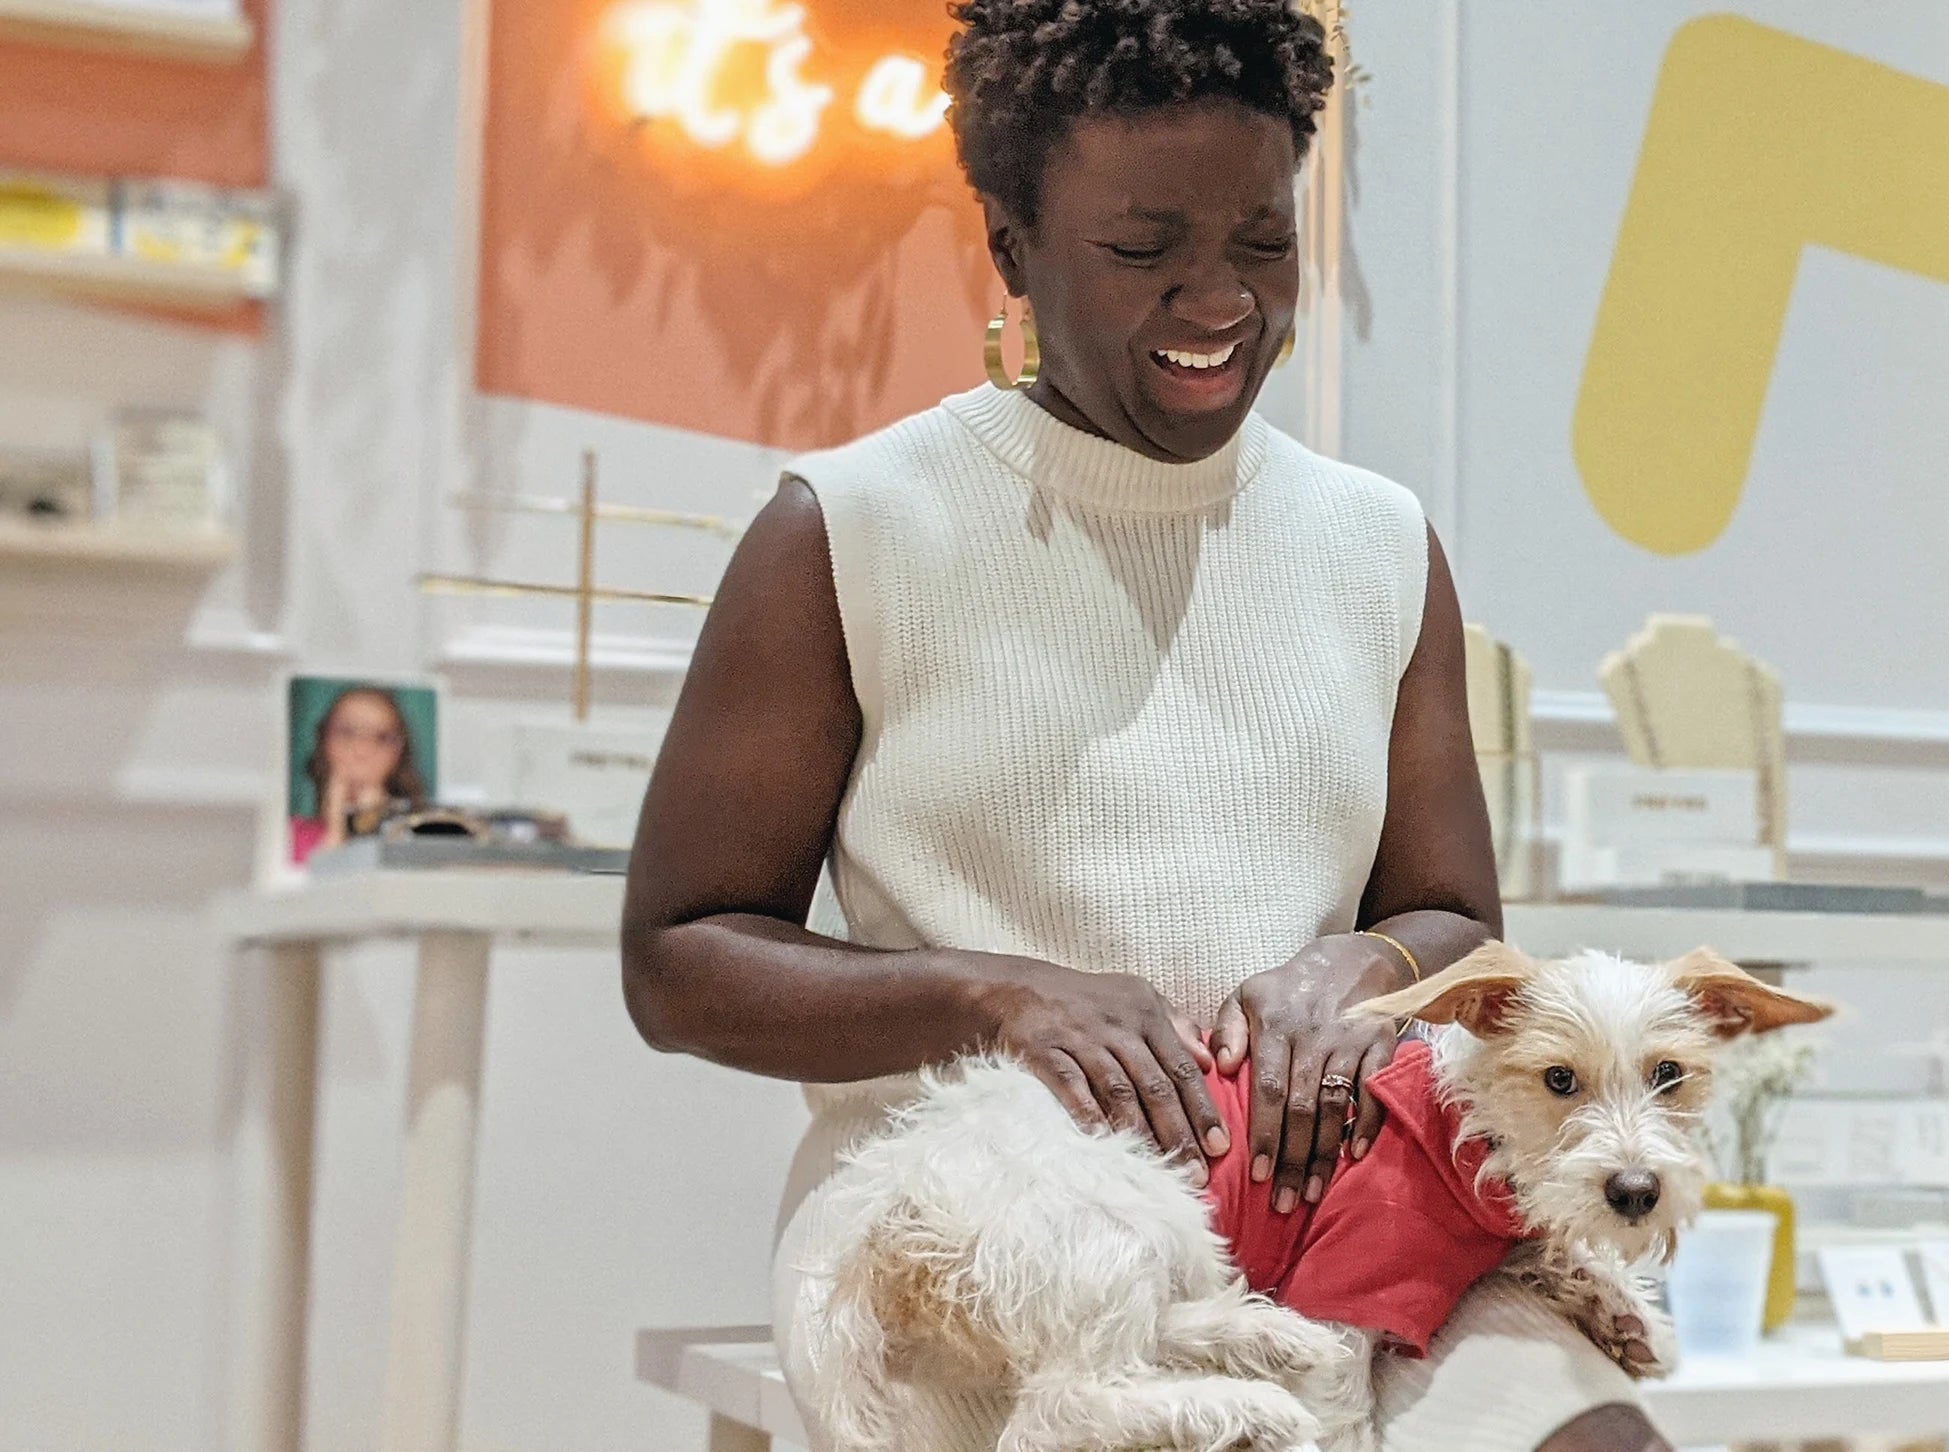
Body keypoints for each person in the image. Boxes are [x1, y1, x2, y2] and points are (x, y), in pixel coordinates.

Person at [618, 2, 1664, 1449]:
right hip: (980, 1238)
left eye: (1260, 242)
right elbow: (680, 961)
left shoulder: (1374, 544)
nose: (1218, 299)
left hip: (1335, 1208)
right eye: (1140, 250)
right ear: (1011, 247)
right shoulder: (853, 527)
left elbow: (1450, 920)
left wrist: (1355, 965)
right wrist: (999, 994)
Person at [290, 685, 427, 864]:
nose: (362, 750)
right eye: (346, 732)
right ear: (323, 741)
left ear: (400, 752)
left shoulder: (420, 838)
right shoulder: (286, 837)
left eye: (382, 737)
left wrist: (373, 827)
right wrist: (336, 831)